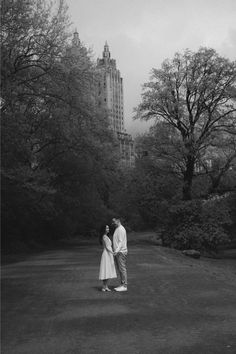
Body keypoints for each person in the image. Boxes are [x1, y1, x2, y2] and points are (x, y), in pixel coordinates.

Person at [98, 224, 117, 292]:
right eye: (106, 228)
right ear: (104, 229)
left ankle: (106, 286)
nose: (108, 229)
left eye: (108, 228)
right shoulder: (104, 237)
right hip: (106, 254)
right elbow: (106, 247)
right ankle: (104, 286)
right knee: (106, 269)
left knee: (108, 270)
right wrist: (112, 253)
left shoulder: (106, 236)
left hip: (109, 254)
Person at [112, 217, 128, 292]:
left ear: (118, 221)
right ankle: (122, 284)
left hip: (121, 252)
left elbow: (121, 242)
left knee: (122, 269)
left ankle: (124, 286)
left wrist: (116, 251)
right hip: (118, 252)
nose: (113, 223)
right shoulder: (117, 228)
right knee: (120, 269)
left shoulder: (121, 229)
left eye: (114, 222)